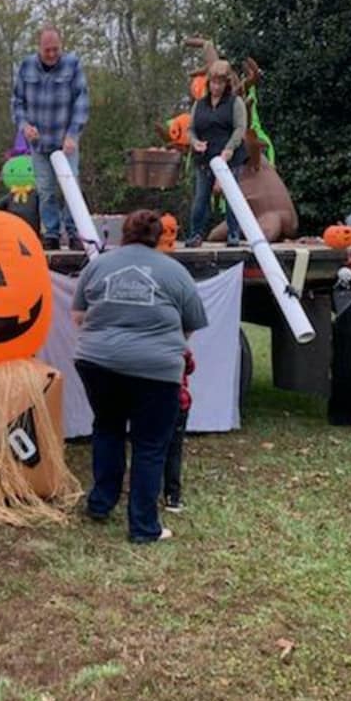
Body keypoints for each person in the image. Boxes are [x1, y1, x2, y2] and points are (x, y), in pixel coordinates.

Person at [72, 210, 208, 543]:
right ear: (159, 235)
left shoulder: (99, 265)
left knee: (107, 429)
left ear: (124, 233)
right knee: (149, 445)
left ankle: (100, 504)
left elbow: (78, 315)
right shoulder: (175, 272)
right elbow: (191, 324)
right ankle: (144, 527)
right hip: (156, 370)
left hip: (96, 362)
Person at [11, 27, 89, 251]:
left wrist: (73, 134)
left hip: (66, 142)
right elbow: (17, 102)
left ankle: (74, 233)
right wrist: (24, 126)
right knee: (46, 191)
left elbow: (81, 102)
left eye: (56, 49)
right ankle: (52, 234)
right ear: (39, 48)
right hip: (39, 143)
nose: (52, 54)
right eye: (47, 50)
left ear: (61, 46)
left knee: (71, 188)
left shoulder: (72, 65)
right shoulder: (26, 66)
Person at [185, 59, 248, 248]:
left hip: (229, 157)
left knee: (232, 197)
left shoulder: (235, 102)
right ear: (209, 82)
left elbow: (240, 128)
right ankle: (196, 234)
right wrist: (195, 142)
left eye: (220, 83)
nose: (216, 87)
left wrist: (229, 148)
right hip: (205, 158)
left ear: (226, 83)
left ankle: (233, 234)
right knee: (201, 198)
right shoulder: (199, 104)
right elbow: (191, 129)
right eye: (213, 82)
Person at [162, 348, 196, 513]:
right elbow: (190, 367)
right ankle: (172, 497)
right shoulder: (181, 349)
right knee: (174, 452)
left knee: (150, 451)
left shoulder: (148, 346)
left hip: (153, 402)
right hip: (178, 403)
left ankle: (146, 494)